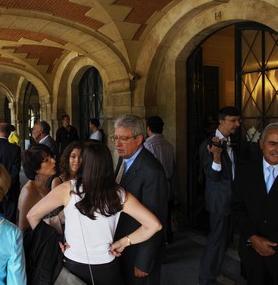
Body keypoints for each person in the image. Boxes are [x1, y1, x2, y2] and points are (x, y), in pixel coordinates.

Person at [27, 141, 162, 285]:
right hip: (107, 266)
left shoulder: (68, 189)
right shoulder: (119, 194)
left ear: (85, 164)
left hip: (73, 264)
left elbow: (32, 215)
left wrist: (56, 242)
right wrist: (124, 242)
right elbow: (154, 225)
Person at [113, 114, 168, 285]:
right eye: (115, 138)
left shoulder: (152, 171)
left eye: (123, 138)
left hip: (139, 251)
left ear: (139, 139)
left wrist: (144, 262)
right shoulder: (124, 160)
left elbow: (157, 218)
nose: (117, 144)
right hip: (123, 247)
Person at [198, 106, 241, 285]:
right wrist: (216, 156)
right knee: (216, 240)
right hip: (219, 201)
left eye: (238, 120)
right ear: (221, 121)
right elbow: (212, 176)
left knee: (223, 240)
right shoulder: (208, 143)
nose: (238, 124)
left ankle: (214, 272)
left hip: (232, 199)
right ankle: (206, 278)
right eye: (233, 121)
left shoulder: (232, 140)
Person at [232, 122, 278, 285]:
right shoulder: (245, 171)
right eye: (272, 144)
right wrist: (253, 237)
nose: (277, 150)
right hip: (252, 254)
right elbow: (236, 208)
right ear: (261, 143)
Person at [144, 115, 177, 243]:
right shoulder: (169, 145)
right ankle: (167, 237)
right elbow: (174, 167)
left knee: (154, 213)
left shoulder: (147, 145)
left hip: (155, 185)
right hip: (168, 183)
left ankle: (158, 242)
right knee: (166, 212)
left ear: (148, 129)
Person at [18, 144, 57, 232]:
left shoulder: (47, 185)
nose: (53, 161)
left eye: (52, 157)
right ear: (36, 168)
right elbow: (23, 229)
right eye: (46, 160)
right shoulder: (29, 192)